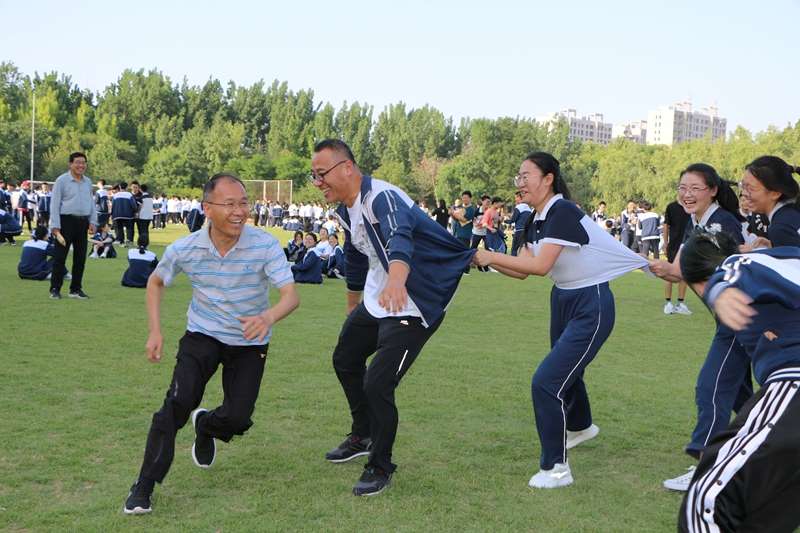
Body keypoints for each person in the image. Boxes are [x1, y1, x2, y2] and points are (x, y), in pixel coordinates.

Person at [123, 173, 299, 515]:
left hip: (249, 340)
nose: (240, 211)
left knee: (238, 418)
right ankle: (144, 486)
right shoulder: (186, 248)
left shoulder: (265, 244)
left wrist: (268, 317)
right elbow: (156, 282)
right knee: (177, 403)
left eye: (244, 203)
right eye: (229, 204)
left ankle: (205, 426)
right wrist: (155, 331)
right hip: (202, 334)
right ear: (207, 208)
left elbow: (290, 295)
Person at [472, 152, 648, 489]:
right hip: (562, 299)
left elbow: (540, 266)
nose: (520, 183)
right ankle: (580, 426)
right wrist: (482, 259)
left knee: (546, 382)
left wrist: (489, 255)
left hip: (591, 302)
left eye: (526, 176)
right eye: (518, 177)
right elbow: (522, 271)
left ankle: (556, 469)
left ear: (548, 178)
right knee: (567, 371)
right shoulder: (532, 219)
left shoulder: (562, 211)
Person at [311, 139, 474, 496]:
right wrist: (352, 304)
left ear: (347, 168)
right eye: (314, 176)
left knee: (378, 384)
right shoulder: (346, 210)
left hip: (414, 302)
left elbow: (401, 237)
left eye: (322, 174)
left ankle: (380, 466)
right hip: (379, 298)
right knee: (345, 358)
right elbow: (356, 255)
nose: (318, 182)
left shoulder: (381, 197)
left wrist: (398, 280)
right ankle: (363, 434)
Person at [676, 229, 800, 533]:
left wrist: (719, 289)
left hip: (794, 379)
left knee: (707, 500)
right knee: (763, 514)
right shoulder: (782, 259)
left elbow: (731, 271)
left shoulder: (737, 266)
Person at [649, 163, 753, 491]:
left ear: (713, 190)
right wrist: (646, 264)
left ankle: (706, 469)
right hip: (734, 319)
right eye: (682, 187)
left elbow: (731, 268)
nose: (687, 194)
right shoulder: (696, 222)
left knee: (711, 389)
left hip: (740, 320)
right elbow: (679, 270)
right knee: (744, 399)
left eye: (695, 188)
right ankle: (768, 451)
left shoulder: (722, 223)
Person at [49, 152, 97, 300]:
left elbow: (91, 203)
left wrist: (93, 221)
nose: (81, 165)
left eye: (83, 162)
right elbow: (55, 204)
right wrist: (55, 226)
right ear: (70, 164)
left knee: (80, 258)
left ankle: (75, 289)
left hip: (83, 222)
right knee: (60, 258)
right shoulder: (62, 181)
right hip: (65, 222)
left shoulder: (88, 182)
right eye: (77, 162)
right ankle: (55, 289)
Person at [740, 155, 800, 248]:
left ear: (775, 193)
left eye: (751, 188)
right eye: (743, 185)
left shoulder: (781, 228)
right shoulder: (790, 213)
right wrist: (772, 247)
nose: (744, 193)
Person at [662, 199, 691, 315]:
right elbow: (666, 225)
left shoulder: (692, 206)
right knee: (668, 273)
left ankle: (680, 303)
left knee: (684, 274)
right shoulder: (671, 207)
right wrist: (665, 243)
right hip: (673, 245)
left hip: (688, 244)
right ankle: (668, 303)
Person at [449, 191, 475, 273]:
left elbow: (464, 219)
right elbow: (456, 219)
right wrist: (452, 214)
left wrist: (454, 213)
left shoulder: (471, 209)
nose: (464, 199)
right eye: (463, 198)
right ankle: (459, 268)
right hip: (457, 233)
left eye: (466, 198)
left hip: (465, 234)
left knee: (464, 252)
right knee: (457, 251)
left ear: (470, 198)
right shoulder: (461, 208)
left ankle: (466, 270)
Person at [111, 182, 137, 246]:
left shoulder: (115, 195)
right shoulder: (129, 195)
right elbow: (133, 205)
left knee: (119, 228)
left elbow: (113, 205)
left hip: (117, 214)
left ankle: (120, 240)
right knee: (129, 228)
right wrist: (135, 211)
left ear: (120, 187)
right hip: (128, 215)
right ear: (127, 187)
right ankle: (129, 240)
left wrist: (112, 214)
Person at [508, 191, 532, 256]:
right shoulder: (528, 207)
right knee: (524, 249)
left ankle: (513, 262)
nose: (515, 199)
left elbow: (513, 219)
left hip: (519, 231)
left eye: (516, 197)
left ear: (519, 197)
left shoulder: (519, 207)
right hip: (527, 231)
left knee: (514, 249)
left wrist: (505, 221)